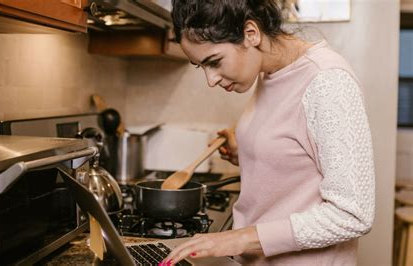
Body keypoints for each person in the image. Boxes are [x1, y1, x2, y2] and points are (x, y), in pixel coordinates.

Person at [160, 0, 375, 265]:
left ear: (251, 33)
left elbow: (353, 215)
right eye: (201, 66)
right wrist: (246, 150)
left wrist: (239, 238)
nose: (211, 79)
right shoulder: (270, 72)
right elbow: (298, 157)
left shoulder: (328, 82)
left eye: (214, 62)